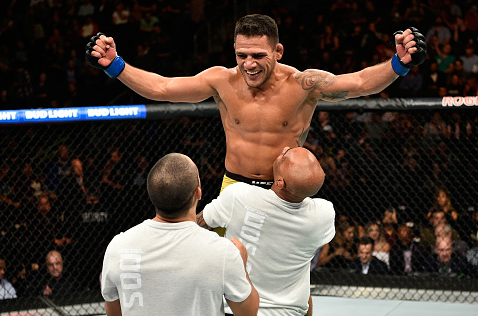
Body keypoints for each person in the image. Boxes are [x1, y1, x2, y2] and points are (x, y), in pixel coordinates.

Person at [85, 14, 426, 188]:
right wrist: (116, 66)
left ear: (277, 51)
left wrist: (399, 64)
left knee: (288, 286)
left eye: (258, 55)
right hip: (234, 185)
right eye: (241, 54)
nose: (248, 63)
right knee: (226, 281)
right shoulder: (220, 80)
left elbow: (360, 83)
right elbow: (161, 88)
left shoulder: (302, 83)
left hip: (284, 191)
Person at [101, 153, 259, 316]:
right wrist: (243, 267)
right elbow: (247, 315)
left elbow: (115, 315)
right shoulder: (220, 251)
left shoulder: (120, 246)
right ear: (198, 192)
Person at [198, 147, 335, 316]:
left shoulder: (239, 196)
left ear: (281, 181)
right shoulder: (324, 216)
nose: (282, 149)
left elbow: (198, 222)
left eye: (284, 157)